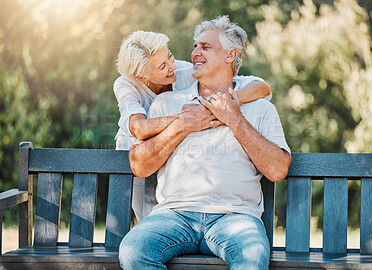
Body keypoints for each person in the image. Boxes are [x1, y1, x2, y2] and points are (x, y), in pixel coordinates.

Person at [119, 16, 291, 269]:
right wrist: (182, 125)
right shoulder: (167, 104)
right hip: (174, 215)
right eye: (195, 45)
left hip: (236, 217)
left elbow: (278, 170)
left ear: (230, 55)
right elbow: (139, 166)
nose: (194, 53)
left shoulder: (260, 109)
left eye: (205, 47)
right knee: (134, 252)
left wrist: (235, 118)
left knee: (252, 258)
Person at [114, 30, 272, 221]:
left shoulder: (183, 71)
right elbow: (139, 128)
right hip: (139, 155)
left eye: (170, 56)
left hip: (174, 151)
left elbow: (261, 87)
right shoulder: (126, 85)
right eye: (162, 67)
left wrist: (226, 102)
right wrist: (187, 119)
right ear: (142, 76)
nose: (172, 66)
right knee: (147, 218)